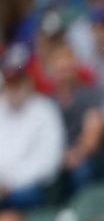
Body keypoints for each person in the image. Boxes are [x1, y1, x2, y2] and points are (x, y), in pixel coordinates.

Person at [0, 48, 65, 208]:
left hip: (30, 188)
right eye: (10, 80)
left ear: (28, 80)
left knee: (22, 197)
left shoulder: (45, 110)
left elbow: (48, 164)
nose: (14, 86)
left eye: (18, 79)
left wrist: (9, 183)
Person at [44, 38, 104, 198]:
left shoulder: (90, 95)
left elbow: (92, 138)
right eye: (59, 68)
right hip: (54, 157)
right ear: (50, 70)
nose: (64, 72)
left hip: (83, 157)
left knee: (81, 171)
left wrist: (74, 155)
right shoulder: (46, 102)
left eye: (67, 67)